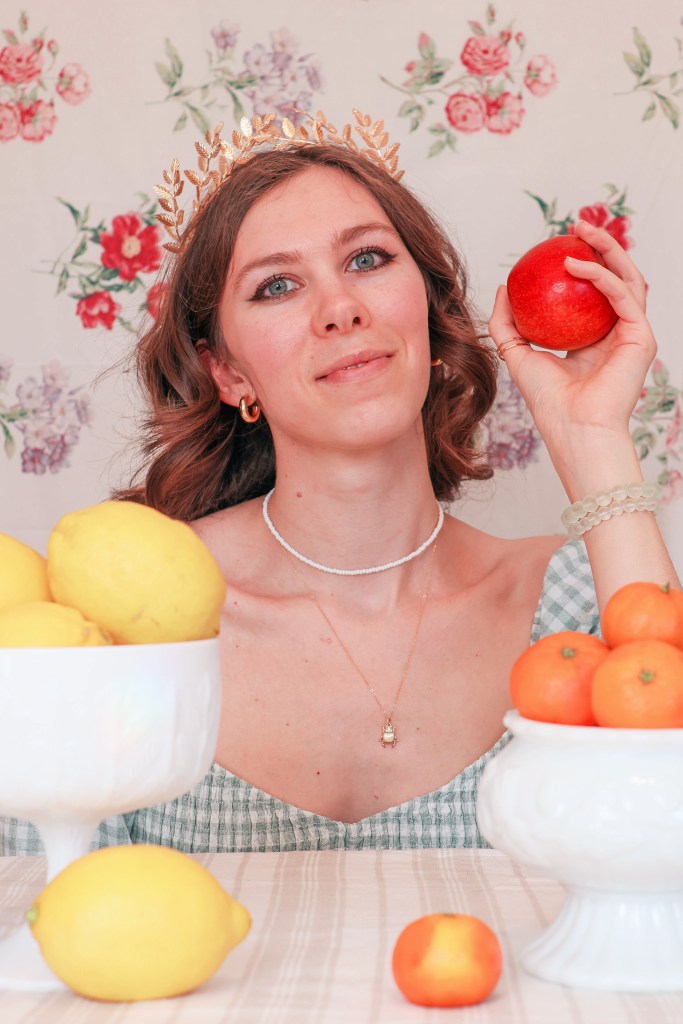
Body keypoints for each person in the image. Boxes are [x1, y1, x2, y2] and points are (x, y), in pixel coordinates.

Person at [2, 110, 679, 856]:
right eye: (276, 286)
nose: (340, 309)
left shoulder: (577, 604)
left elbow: (663, 846)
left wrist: (590, 437)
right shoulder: (119, 621)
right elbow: (37, 912)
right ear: (227, 372)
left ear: (427, 305)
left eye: (365, 261)